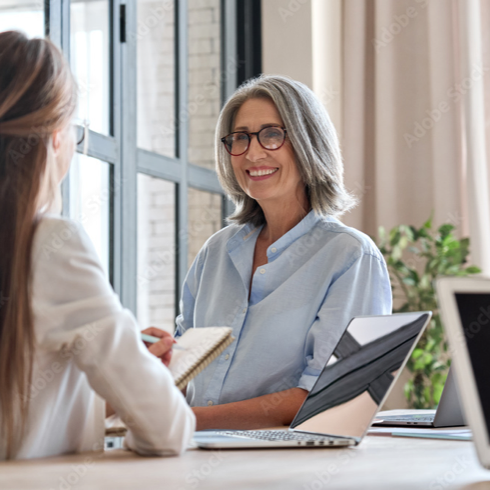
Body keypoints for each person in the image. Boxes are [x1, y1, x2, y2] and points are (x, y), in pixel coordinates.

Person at [0, 31, 195, 460]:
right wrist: (133, 364)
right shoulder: (52, 245)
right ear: (55, 135)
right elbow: (167, 429)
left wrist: (98, 374)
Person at [176, 75, 392, 431]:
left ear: (308, 143)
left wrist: (183, 421)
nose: (253, 153)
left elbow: (327, 395)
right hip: (192, 460)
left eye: (272, 134)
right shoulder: (215, 252)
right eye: (240, 138)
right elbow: (183, 372)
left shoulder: (350, 257)